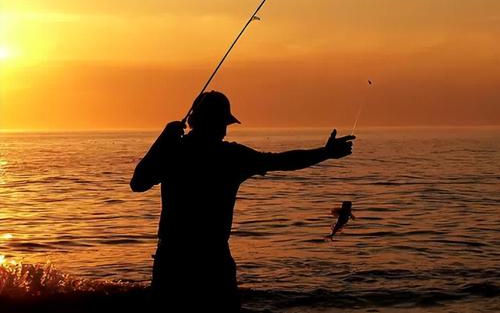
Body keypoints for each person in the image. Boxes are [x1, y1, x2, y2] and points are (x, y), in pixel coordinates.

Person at [130, 90, 355, 311]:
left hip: (173, 259)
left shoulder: (174, 152)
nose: (225, 131)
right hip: (212, 259)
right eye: (222, 124)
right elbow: (282, 161)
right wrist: (325, 153)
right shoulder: (231, 157)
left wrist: (162, 141)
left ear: (192, 120)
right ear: (211, 123)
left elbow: (138, 183)